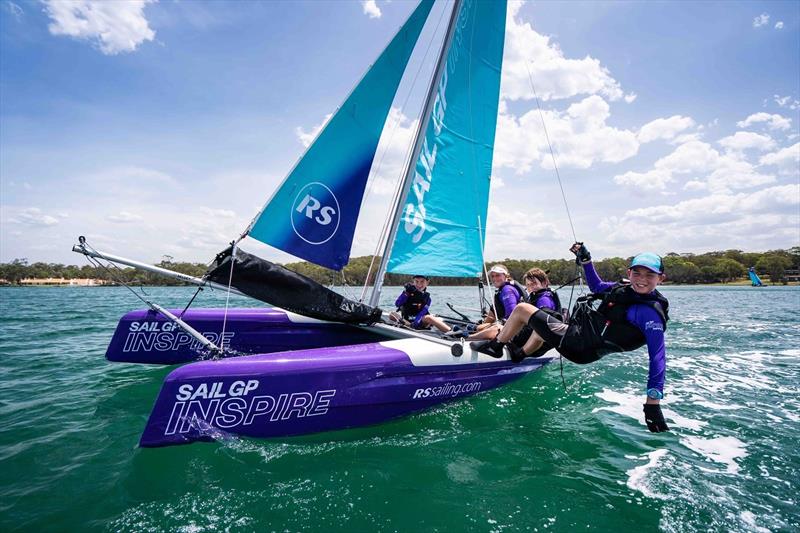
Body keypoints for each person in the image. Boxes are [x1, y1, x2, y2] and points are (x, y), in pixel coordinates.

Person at [471, 243, 671, 433]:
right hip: (580, 341)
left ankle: (496, 347)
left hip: (578, 345)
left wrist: (652, 402)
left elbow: (658, 356)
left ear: (661, 278)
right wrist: (586, 260)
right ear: (629, 273)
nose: (641, 279)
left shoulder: (650, 313)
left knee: (522, 309)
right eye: (637, 272)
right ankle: (519, 353)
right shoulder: (623, 289)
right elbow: (596, 286)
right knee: (546, 320)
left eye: (649, 275)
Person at [506, 268, 562, 362]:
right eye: (528, 285)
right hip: (535, 338)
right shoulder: (535, 296)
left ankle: (500, 347)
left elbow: (541, 323)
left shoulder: (544, 299)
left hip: (538, 345)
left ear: (544, 283)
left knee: (497, 329)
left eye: (534, 284)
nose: (531, 287)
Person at [469, 264, 526, 340]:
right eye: (492, 276)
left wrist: (495, 324)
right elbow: (492, 315)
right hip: (507, 324)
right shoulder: (501, 290)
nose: (494, 278)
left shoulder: (507, 290)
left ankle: (466, 337)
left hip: (515, 330)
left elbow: (512, 315)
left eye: (498, 275)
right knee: (479, 327)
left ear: (505, 275)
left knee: (482, 328)